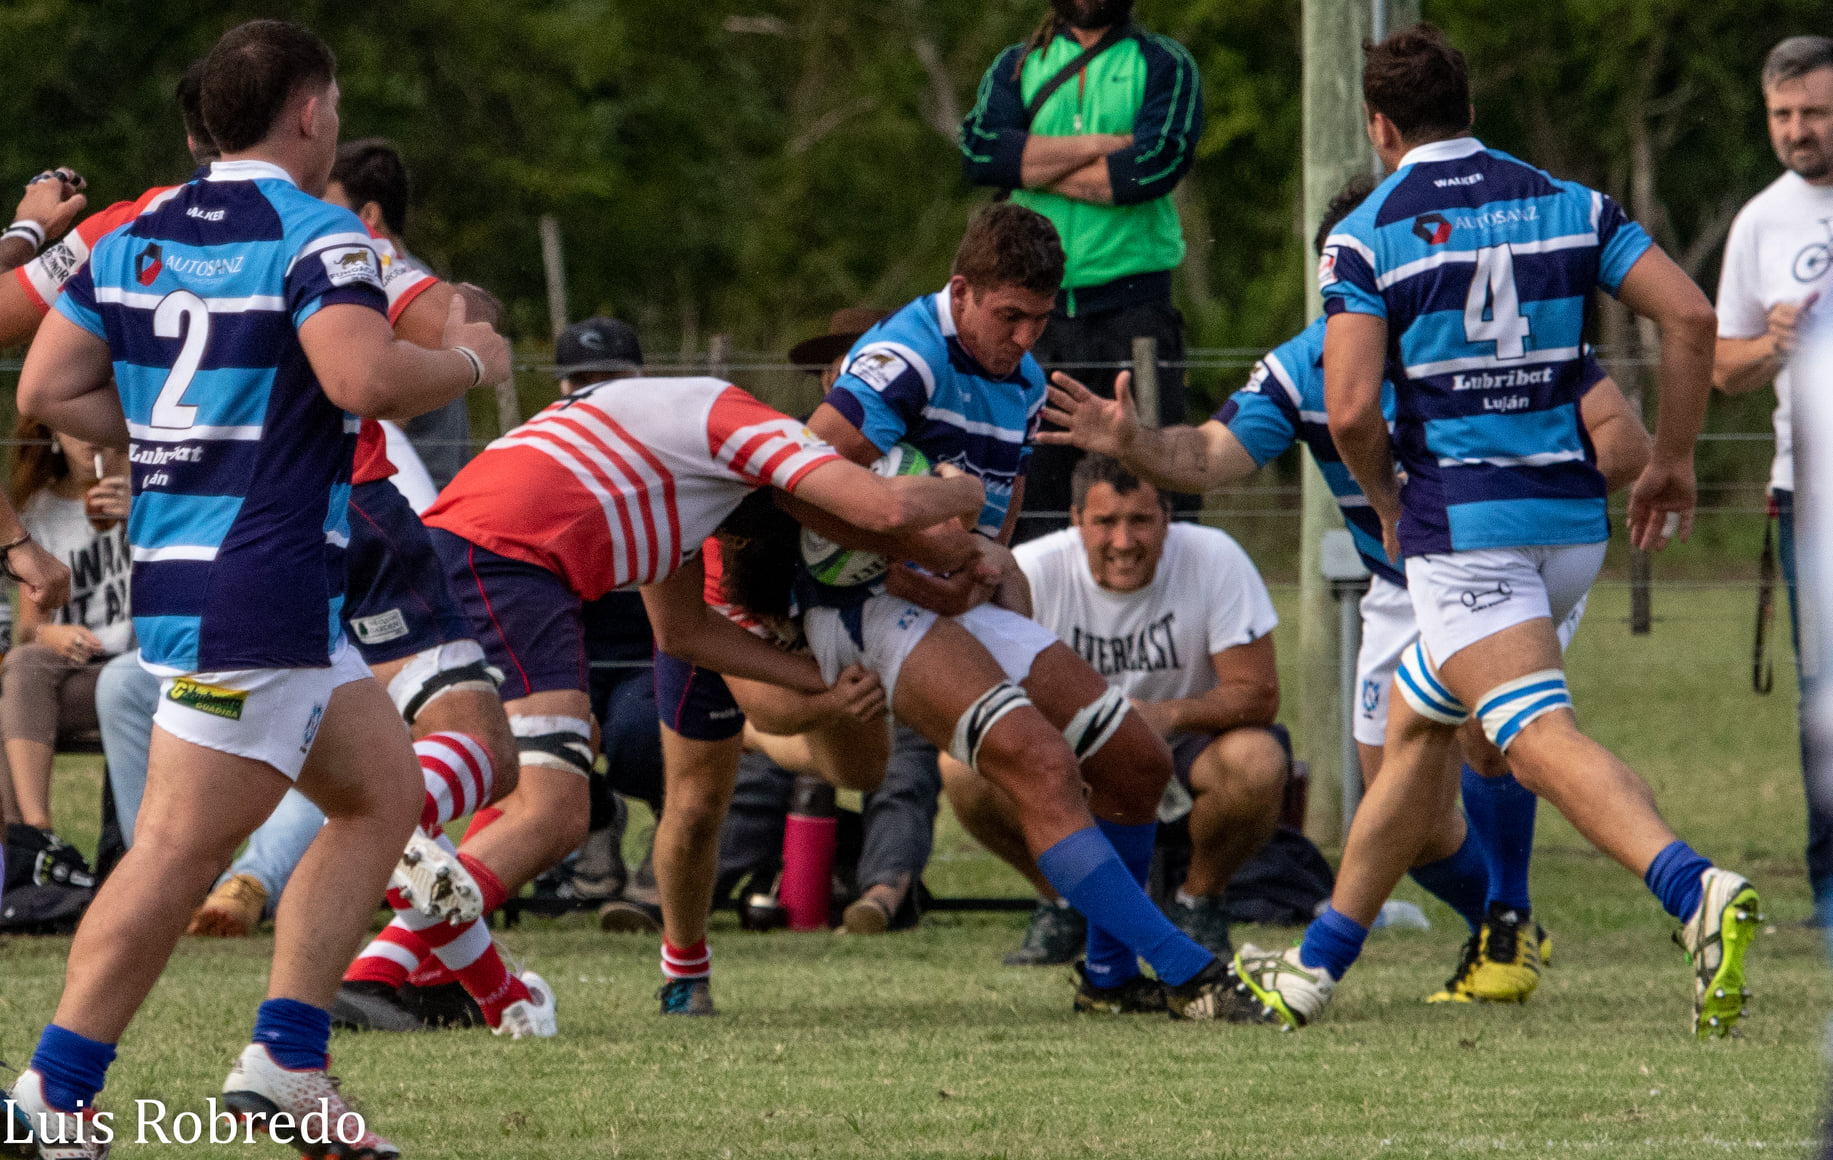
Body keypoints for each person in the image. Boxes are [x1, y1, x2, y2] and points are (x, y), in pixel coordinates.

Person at [4, 21, 513, 1159]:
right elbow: (361, 376)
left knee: (381, 792)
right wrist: (476, 361)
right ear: (309, 114)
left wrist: (177, 440)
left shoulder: (135, 230)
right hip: (261, 584)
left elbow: (47, 382)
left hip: (214, 571)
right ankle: (51, 1096)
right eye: (329, 104)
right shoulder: (314, 229)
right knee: (178, 851)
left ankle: (287, 1059)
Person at [1217, 24, 1757, 1038]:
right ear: (1466, 107)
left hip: (1468, 534)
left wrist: (1385, 497)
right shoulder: (1570, 203)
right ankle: (1315, 967)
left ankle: (1696, 892)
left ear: (1380, 126)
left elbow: (1348, 410)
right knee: (1420, 727)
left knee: (1531, 737)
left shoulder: (1369, 231)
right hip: (1567, 530)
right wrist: (1676, 458)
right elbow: (1688, 319)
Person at [1041, 177, 1654, 1001]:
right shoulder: (1307, 365)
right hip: (1399, 587)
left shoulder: (1491, 340)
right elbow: (1212, 458)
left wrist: (1525, 494)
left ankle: (1494, 925)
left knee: (1488, 739)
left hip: (1496, 564)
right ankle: (1507, 931)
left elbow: (1624, 442)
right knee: (1408, 815)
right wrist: (1135, 442)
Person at [408, 298, 988, 1022]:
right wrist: (968, 491)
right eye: (841, 366)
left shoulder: (798, 468)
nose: (849, 375)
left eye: (866, 363)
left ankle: (408, 916)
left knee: (861, 769)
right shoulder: (756, 458)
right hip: (557, 582)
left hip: (486, 556)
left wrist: (916, 584)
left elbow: (889, 529)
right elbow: (879, 516)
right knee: (677, 798)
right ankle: (675, 967)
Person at [798, 202, 1242, 1019]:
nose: (1026, 337)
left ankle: (1109, 982)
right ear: (960, 290)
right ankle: (1188, 971)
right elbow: (801, 479)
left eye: (1040, 319)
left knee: (1136, 762)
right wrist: (913, 552)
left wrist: (971, 570)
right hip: (857, 603)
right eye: (1009, 316)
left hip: (936, 600)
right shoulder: (904, 359)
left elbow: (990, 537)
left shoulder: (1027, 383)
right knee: (1039, 763)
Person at [946, 455, 1285, 963]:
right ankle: (1064, 902)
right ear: (1077, 520)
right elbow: (982, 687)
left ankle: (1199, 902)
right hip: (1072, 750)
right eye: (1105, 522)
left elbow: (1259, 692)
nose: (1124, 542)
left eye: (1141, 521)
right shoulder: (1033, 570)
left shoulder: (1216, 557)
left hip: (1187, 747)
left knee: (1258, 762)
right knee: (962, 768)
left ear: (1168, 519)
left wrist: (1164, 716)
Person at [959, 0, 1202, 540]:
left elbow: (1151, 169)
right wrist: (1103, 147)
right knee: (1029, 503)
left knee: (1153, 490)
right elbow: (980, 154)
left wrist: (1031, 164)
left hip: (1133, 314)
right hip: (1035, 321)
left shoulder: (1166, 62)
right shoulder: (1017, 65)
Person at [1712, 35, 1833, 925]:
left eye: (1815, 113)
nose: (1797, 131)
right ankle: (1827, 884)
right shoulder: (1762, 220)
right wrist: (1773, 343)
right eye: (1783, 115)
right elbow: (1723, 367)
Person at [1, 426, 130, 842]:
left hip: (144, 670)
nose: (90, 435)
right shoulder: (40, 512)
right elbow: (30, 627)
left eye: (98, 422)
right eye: (73, 425)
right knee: (20, 669)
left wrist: (145, 513)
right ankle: (36, 838)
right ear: (54, 434)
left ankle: (31, 855)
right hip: (80, 673)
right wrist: (51, 635)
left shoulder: (157, 494)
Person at [326, 137, 472, 489]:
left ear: (369, 216)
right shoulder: (418, 284)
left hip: (409, 499)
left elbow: (384, 421)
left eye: (329, 211)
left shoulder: (394, 293)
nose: (317, 223)